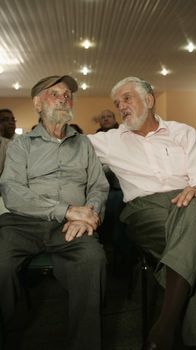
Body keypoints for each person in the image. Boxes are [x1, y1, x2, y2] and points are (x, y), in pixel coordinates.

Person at [88, 77, 196, 350]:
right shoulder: (109, 141)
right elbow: (69, 146)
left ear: (149, 100)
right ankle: (179, 332)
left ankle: (163, 331)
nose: (121, 107)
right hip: (145, 211)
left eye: (127, 98)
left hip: (193, 199)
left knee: (193, 211)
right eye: (117, 104)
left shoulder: (182, 132)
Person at [0, 75, 109, 350]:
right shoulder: (21, 145)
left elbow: (98, 185)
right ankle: (11, 331)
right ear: (38, 104)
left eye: (67, 94)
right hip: (24, 222)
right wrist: (67, 210)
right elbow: (11, 191)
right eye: (54, 93)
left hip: (72, 227)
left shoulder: (84, 143)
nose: (64, 98)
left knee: (93, 259)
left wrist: (90, 215)